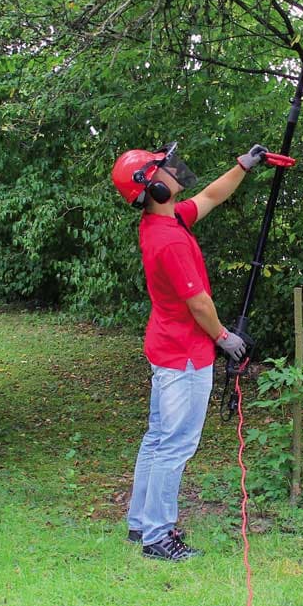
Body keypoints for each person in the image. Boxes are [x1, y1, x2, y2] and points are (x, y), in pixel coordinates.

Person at [111, 140, 268, 561]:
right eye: (164, 168)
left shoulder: (167, 221)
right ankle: (158, 536)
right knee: (175, 444)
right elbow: (198, 303)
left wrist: (243, 165)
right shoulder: (170, 241)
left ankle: (141, 522)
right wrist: (224, 338)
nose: (174, 170)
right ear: (154, 188)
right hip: (184, 356)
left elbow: (210, 197)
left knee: (158, 437)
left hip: (168, 347)